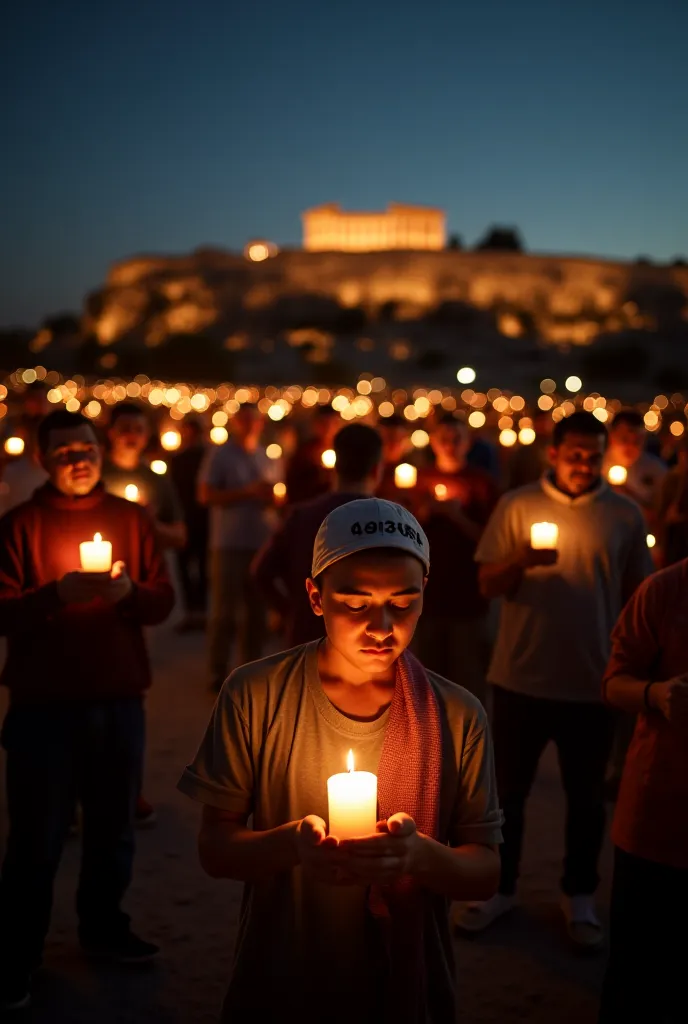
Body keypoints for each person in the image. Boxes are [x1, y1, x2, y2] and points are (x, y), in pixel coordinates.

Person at [178, 497, 502, 1023]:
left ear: (425, 595)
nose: (381, 625)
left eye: (403, 602)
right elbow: (216, 850)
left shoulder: (458, 715)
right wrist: (292, 846)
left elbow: (484, 872)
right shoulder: (256, 694)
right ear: (314, 596)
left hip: (403, 980)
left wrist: (416, 856)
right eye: (355, 604)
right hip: (284, 972)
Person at [454, 411, 652, 946]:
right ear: (553, 453)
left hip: (591, 681)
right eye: (574, 454)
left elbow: (640, 595)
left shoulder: (625, 515)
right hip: (520, 676)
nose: (584, 465)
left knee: (586, 799)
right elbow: (488, 583)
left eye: (594, 455)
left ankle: (579, 895)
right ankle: (500, 889)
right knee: (507, 796)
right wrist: (519, 559)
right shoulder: (517, 505)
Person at [0, 410, 175, 1011]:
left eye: (88, 447)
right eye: (66, 450)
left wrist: (130, 595)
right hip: (43, 706)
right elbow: (2, 611)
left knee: (112, 828)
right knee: (35, 839)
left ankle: (103, 928)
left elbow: (161, 600)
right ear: (44, 460)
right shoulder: (20, 525)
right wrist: (54, 596)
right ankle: (15, 957)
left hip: (119, 696)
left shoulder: (131, 519)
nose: (80, 458)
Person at [597, 561, 688, 1022]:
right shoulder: (665, 590)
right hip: (657, 813)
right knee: (637, 969)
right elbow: (614, 684)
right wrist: (656, 694)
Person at [252, 423, 383, 647]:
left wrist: (291, 610)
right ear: (376, 469)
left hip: (307, 639)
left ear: (335, 466)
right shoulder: (388, 521)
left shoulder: (301, 516)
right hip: (369, 644)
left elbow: (261, 572)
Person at [415, 416, 499, 701]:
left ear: (468, 442)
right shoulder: (417, 479)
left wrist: (457, 517)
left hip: (468, 599)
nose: (449, 445)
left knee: (467, 681)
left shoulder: (482, 483)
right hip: (425, 597)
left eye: (457, 438)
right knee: (424, 681)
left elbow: (492, 541)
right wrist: (424, 516)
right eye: (443, 438)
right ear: (433, 441)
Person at [198, 403, 276, 691]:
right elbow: (205, 495)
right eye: (243, 419)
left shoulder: (266, 456)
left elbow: (274, 494)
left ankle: (251, 671)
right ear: (234, 422)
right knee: (224, 612)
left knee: (257, 612)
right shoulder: (220, 455)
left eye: (253, 420)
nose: (249, 425)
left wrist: (272, 498)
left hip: (259, 541)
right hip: (228, 543)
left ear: (260, 424)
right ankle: (217, 672)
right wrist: (247, 492)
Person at [102, 402, 186, 552]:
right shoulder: (96, 475)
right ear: (111, 432)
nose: (132, 436)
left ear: (147, 435)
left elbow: (180, 537)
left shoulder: (157, 480)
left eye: (139, 430)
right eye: (125, 429)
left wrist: (147, 521)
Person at [169, 417, 209, 632]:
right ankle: (193, 613)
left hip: (201, 520)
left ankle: (199, 613)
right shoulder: (178, 459)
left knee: (201, 568)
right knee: (186, 568)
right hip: (186, 519)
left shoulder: (205, 457)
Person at [604, 408, 666, 514]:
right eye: (624, 439)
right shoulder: (596, 466)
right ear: (611, 436)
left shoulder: (656, 469)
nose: (631, 446)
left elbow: (661, 514)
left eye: (637, 441)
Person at [285, 405, 340, 505]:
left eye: (332, 423)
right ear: (315, 425)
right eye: (323, 424)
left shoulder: (343, 451)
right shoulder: (304, 453)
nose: (328, 428)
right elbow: (294, 484)